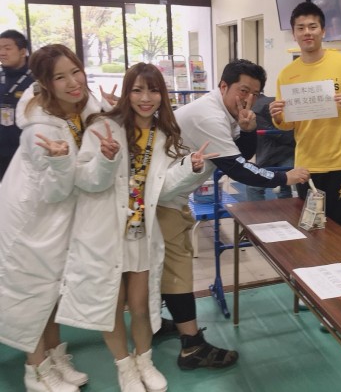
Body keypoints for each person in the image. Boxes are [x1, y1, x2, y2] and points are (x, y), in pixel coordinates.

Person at [56, 63, 211, 392]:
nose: (145, 98)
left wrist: (190, 168)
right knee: (111, 305)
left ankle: (144, 360)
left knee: (141, 306)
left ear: (162, 95)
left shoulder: (165, 134)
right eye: (137, 90)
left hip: (140, 233)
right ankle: (125, 367)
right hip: (106, 233)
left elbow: (163, 190)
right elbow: (86, 181)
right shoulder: (104, 128)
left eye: (153, 90)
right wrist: (105, 159)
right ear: (127, 93)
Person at [155, 59, 309, 371]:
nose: (248, 99)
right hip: (160, 197)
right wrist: (285, 177)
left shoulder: (226, 111)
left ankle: (154, 323)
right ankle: (192, 347)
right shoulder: (209, 115)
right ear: (223, 86)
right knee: (178, 272)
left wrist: (249, 128)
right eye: (243, 90)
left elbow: (242, 152)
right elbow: (238, 168)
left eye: (254, 93)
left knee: (164, 268)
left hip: (170, 194)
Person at [0, 44, 99, 392]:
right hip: (31, 224)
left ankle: (55, 356)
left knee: (53, 292)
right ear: (45, 83)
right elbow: (54, 191)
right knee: (32, 295)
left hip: (58, 221)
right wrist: (59, 162)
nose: (73, 82)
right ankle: (36, 368)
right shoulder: (38, 129)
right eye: (60, 77)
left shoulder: (81, 109)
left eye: (75, 71)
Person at [270, 1, 341, 233]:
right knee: (312, 233)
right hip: (307, 166)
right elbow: (287, 124)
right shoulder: (287, 74)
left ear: (323, 31)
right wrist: (277, 117)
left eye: (313, 26)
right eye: (301, 28)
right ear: (294, 34)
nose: (307, 32)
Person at [245, 93, 295, 201]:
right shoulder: (275, 100)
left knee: (254, 187)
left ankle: (257, 211)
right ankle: (286, 210)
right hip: (289, 151)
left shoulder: (255, 110)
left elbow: (273, 133)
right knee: (285, 185)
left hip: (270, 154)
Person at [0, 29, 33, 181]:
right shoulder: (1, 77)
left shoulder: (36, 79)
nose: (2, 53)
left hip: (24, 152)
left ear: (22, 52)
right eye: (0, 48)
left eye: (7, 48)